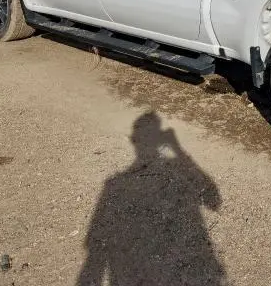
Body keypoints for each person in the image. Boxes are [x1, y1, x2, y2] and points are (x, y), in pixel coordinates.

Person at [77, 112, 226, 285]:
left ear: (134, 140)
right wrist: (177, 147)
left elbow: (94, 252)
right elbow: (213, 200)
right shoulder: (113, 185)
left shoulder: (112, 185)